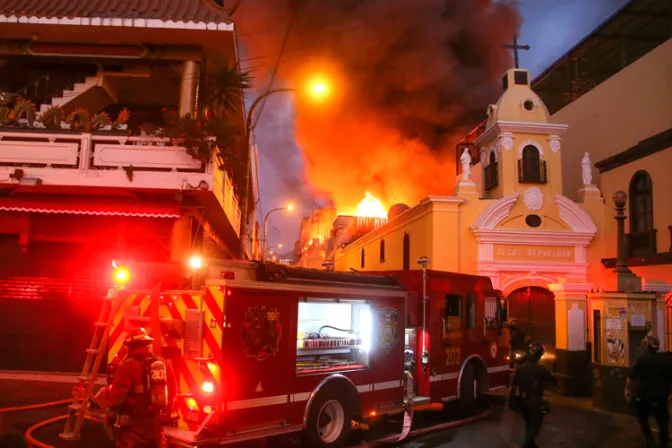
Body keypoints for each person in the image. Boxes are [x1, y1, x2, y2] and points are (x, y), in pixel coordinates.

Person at [106, 328, 176, 448]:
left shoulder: (127, 366)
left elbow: (118, 395)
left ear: (130, 346)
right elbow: (173, 391)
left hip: (133, 429)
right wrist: (166, 412)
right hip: (155, 426)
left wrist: (110, 417)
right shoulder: (161, 362)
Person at [625, 335, 672, 448]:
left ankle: (649, 439)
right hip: (660, 395)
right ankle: (664, 439)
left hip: (644, 395)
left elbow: (630, 377)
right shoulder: (664, 360)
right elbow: (670, 379)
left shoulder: (640, 359)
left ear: (646, 346)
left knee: (641, 417)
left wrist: (627, 390)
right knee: (663, 421)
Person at [512, 342, 557, 448]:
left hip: (522, 401)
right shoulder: (541, 369)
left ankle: (531, 445)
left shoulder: (521, 368)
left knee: (529, 423)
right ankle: (527, 444)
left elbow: (514, 382)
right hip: (535, 401)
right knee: (535, 426)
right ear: (539, 355)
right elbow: (553, 380)